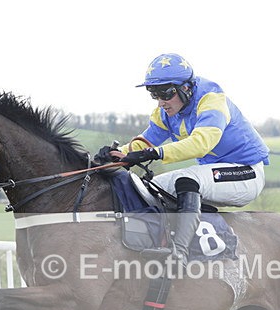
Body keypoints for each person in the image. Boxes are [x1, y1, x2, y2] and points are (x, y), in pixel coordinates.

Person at [98, 53, 269, 264]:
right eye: (155, 94)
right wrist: (117, 155)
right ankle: (153, 243)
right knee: (147, 188)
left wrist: (156, 153)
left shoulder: (211, 100)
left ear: (186, 88)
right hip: (217, 172)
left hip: (246, 172)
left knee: (187, 180)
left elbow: (201, 143)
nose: (161, 102)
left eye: (166, 94)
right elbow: (147, 141)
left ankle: (180, 252)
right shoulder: (168, 111)